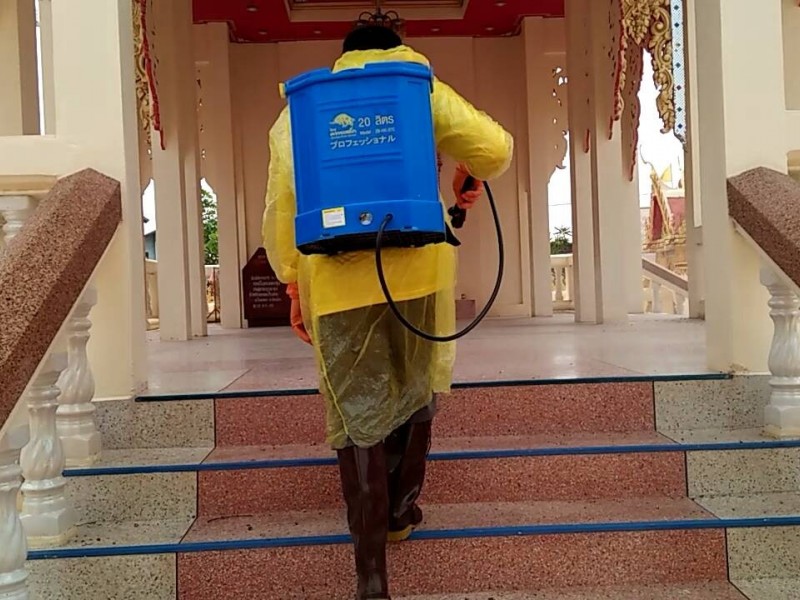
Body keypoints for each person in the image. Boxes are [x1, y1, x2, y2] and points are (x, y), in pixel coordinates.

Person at [263, 23, 513, 600]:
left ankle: (371, 573)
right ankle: (401, 509)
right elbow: (495, 149)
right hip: (420, 273)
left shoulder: (301, 108)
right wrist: (467, 171)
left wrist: (293, 284)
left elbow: (283, 202)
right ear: (396, 47)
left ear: (344, 56)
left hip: (335, 281)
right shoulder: (419, 87)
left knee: (356, 415)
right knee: (414, 385)